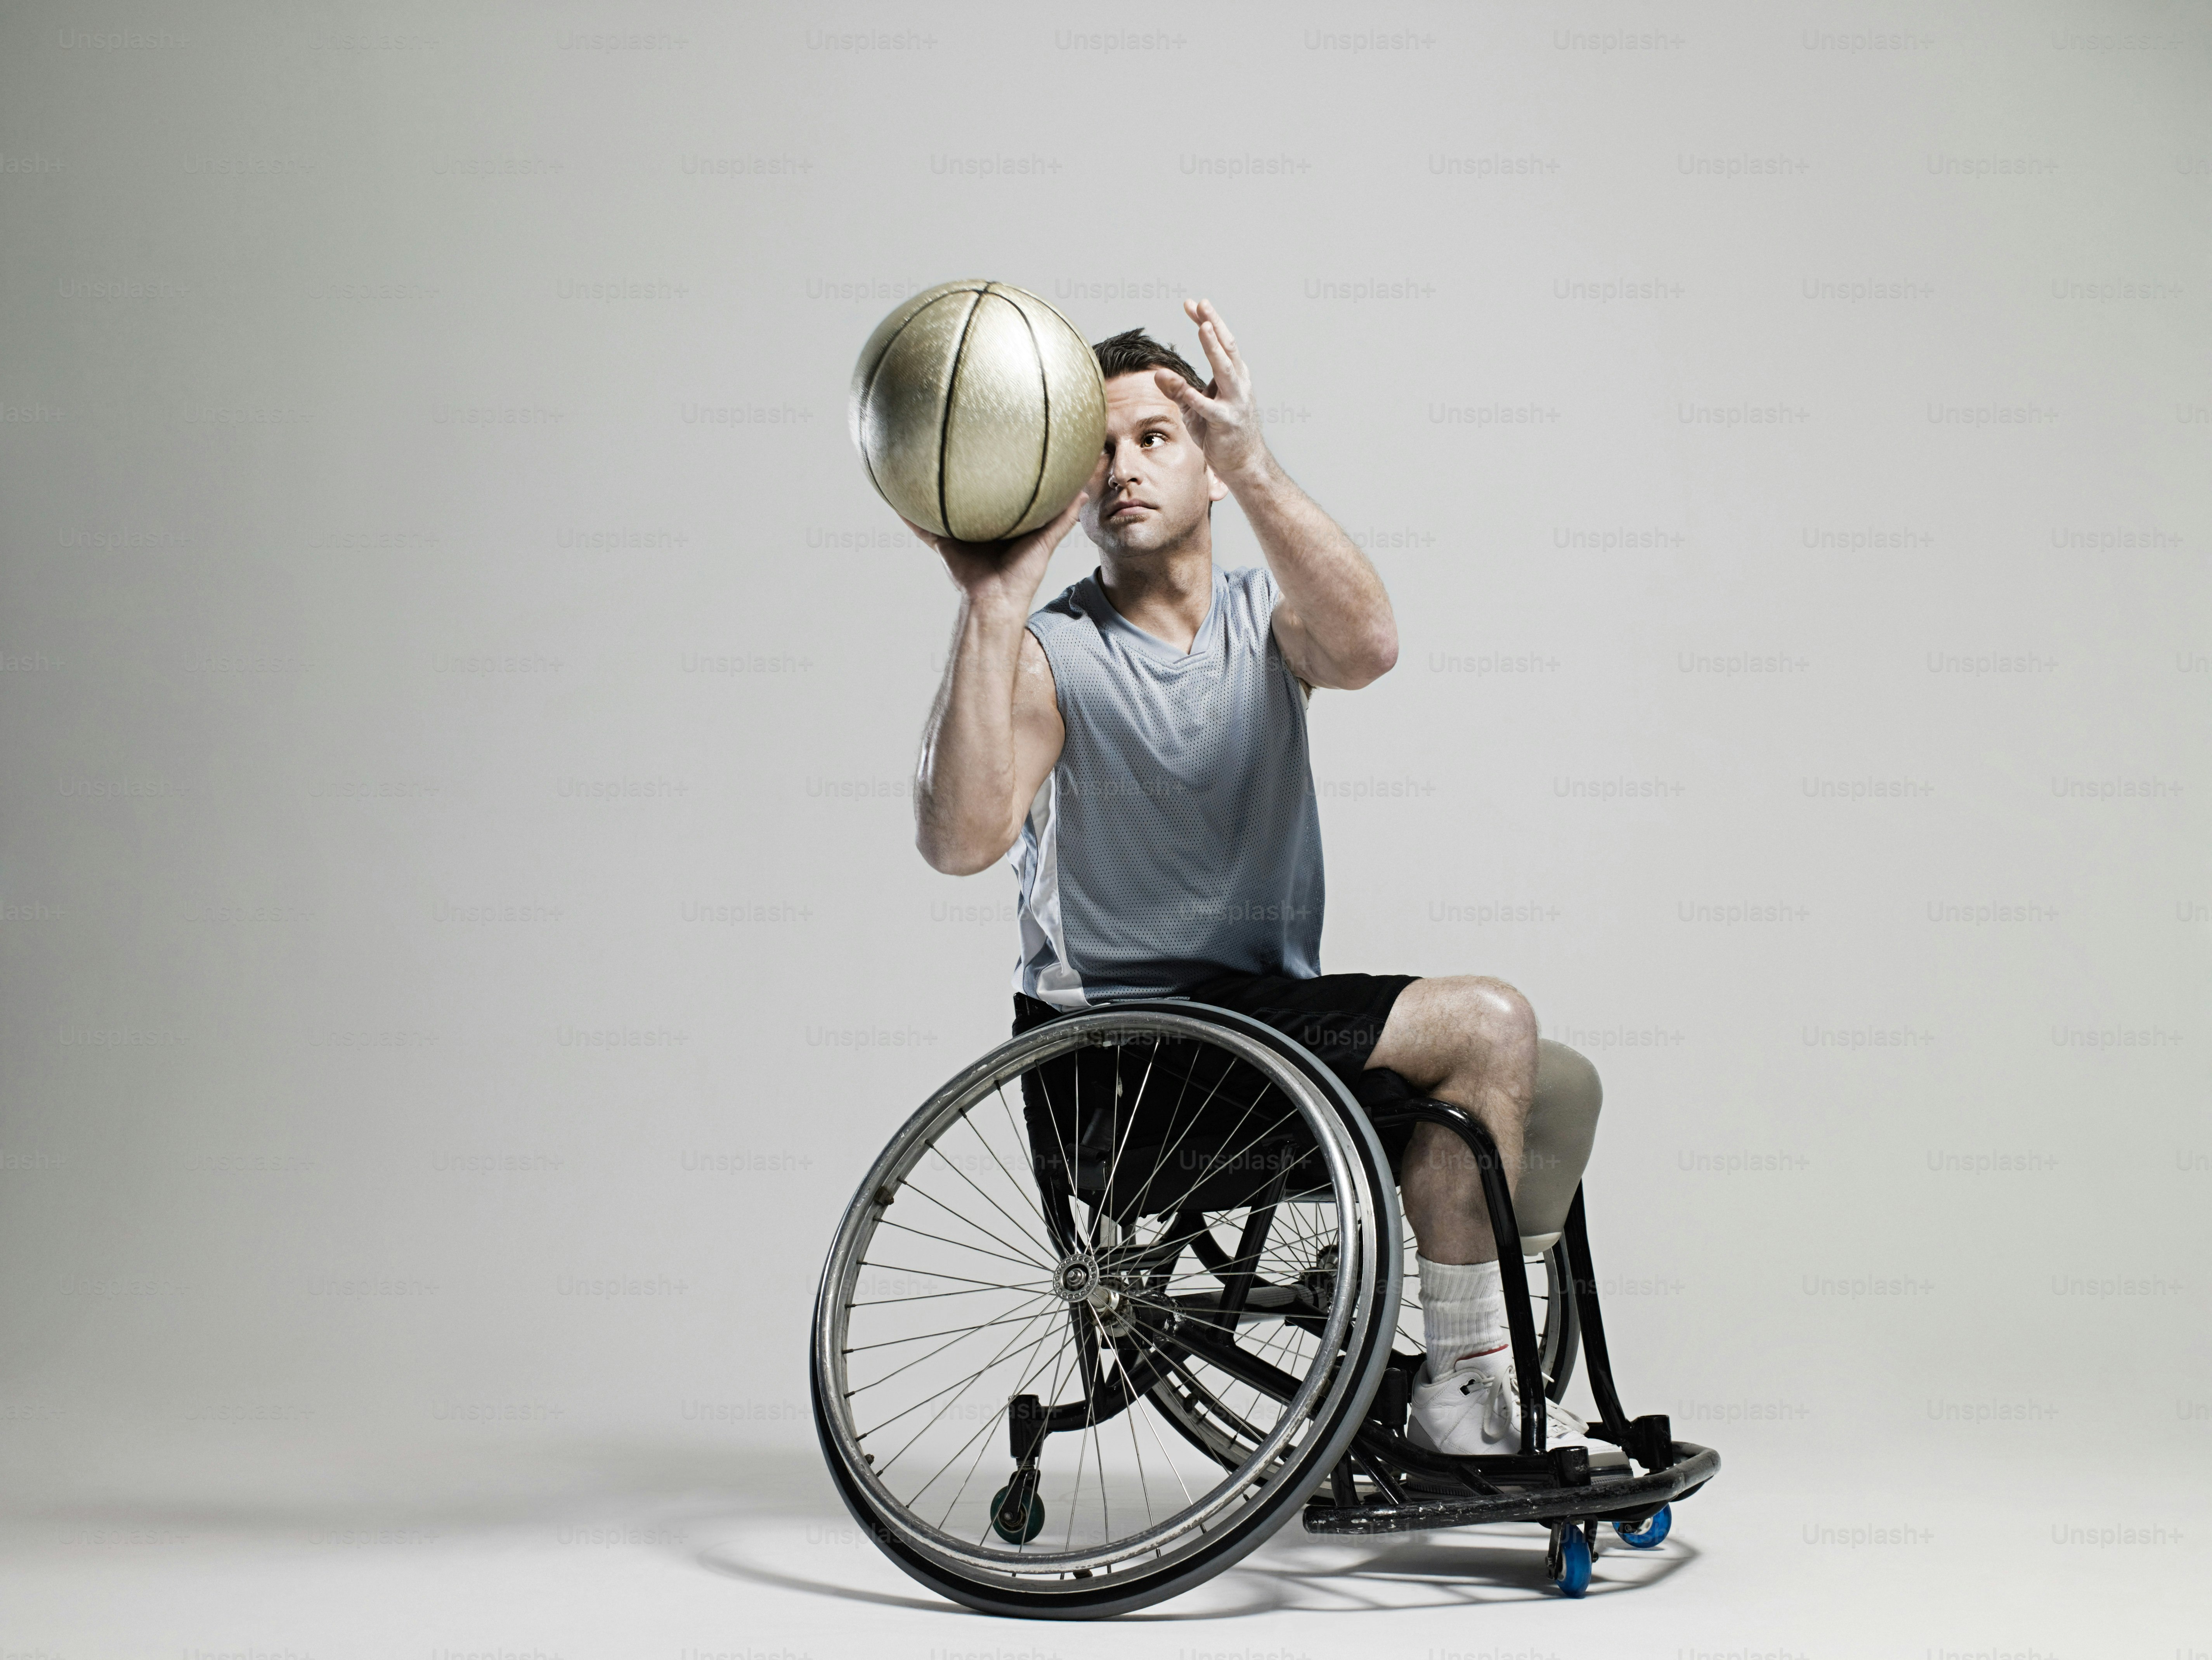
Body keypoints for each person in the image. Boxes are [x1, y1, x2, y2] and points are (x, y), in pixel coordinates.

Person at [898, 296, 1584, 1458]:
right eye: (1095, 450)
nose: (1122, 467)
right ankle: (1465, 1397)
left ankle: (1467, 1361)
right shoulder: (1048, 655)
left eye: (1153, 438)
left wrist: (1253, 459)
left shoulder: (1266, 624)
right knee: (1489, 1023)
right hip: (1123, 1069)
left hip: (1257, 1040)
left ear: (1204, 461)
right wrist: (991, 600)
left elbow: (1367, 646)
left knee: (1554, 1091)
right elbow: (959, 841)